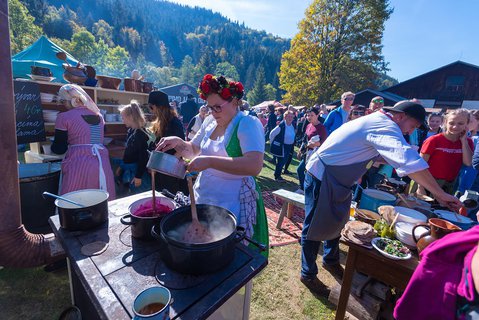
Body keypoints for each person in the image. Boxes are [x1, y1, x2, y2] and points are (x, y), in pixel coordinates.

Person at [300, 101, 462, 295]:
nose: (411, 132)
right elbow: (408, 161)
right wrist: (440, 193)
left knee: (338, 221)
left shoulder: (380, 122)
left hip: (338, 179)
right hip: (323, 176)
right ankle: (307, 274)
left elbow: (383, 155)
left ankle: (331, 260)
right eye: (412, 126)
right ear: (400, 116)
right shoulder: (384, 125)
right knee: (314, 226)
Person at [156, 74, 269, 257]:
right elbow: (193, 149)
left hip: (232, 199)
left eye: (218, 107)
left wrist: (209, 162)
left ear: (234, 101)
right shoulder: (209, 122)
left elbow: (254, 165)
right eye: (210, 107)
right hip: (206, 194)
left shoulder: (247, 123)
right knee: (203, 246)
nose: (214, 112)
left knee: (226, 251)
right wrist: (178, 142)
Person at [51, 84, 116, 200]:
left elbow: (59, 148)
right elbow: (93, 138)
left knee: (75, 201)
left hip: (79, 164)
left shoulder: (64, 117)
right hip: (101, 162)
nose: (63, 104)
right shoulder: (99, 116)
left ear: (72, 100)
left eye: (63, 101)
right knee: (100, 201)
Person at [417, 109, 473, 196]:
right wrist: (420, 187)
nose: (455, 127)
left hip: (449, 185)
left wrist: (464, 141)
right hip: (427, 182)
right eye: (451, 123)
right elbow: (419, 165)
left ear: (467, 124)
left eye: (460, 123)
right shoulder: (434, 140)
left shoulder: (468, 142)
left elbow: (468, 162)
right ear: (445, 122)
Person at [149, 90, 188, 195]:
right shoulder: (162, 122)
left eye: (151, 107)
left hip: (171, 171)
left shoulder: (174, 123)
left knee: (172, 200)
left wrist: (166, 166)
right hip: (162, 171)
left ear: (158, 107)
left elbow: (182, 148)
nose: (151, 111)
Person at [115, 101, 152, 193]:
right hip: (129, 168)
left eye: (123, 118)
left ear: (131, 117)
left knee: (140, 193)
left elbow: (143, 157)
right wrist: (121, 166)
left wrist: (138, 176)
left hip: (137, 171)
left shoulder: (140, 134)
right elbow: (128, 151)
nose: (122, 120)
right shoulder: (131, 131)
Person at [296, 107, 328, 193]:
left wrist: (314, 144)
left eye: (312, 115)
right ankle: (303, 188)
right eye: (308, 115)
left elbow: (324, 142)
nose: (309, 117)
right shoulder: (308, 125)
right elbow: (305, 138)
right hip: (307, 152)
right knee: (300, 170)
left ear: (317, 115)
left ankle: (306, 189)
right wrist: (300, 150)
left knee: (307, 171)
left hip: (315, 154)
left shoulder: (321, 127)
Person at [269, 110, 296, 181]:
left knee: (284, 161)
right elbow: (272, 134)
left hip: (289, 146)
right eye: (288, 117)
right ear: (285, 117)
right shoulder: (281, 125)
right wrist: (273, 143)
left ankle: (278, 174)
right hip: (282, 146)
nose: (290, 118)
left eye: (291, 117)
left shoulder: (291, 125)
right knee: (281, 162)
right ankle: (277, 176)